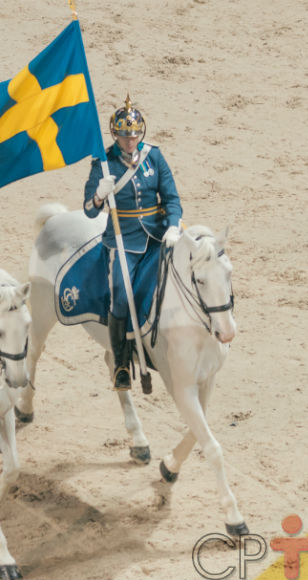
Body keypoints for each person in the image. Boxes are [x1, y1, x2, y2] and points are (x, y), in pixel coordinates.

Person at [83, 95, 183, 390]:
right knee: (120, 294)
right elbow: (89, 211)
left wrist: (174, 225)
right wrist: (100, 195)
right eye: (125, 136)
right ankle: (121, 364)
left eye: (135, 135)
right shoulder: (103, 163)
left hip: (157, 233)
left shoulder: (154, 156)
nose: (131, 141)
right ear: (115, 135)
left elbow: (172, 198)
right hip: (123, 240)